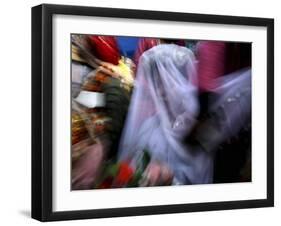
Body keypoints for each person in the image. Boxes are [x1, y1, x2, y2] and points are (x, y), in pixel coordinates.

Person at [118, 43, 214, 186]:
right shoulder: (149, 127)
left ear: (184, 83)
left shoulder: (195, 131)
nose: (160, 93)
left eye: (166, 83)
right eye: (156, 84)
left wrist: (169, 181)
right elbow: (134, 170)